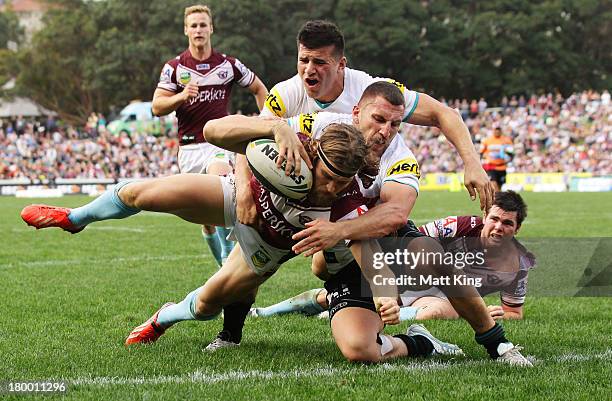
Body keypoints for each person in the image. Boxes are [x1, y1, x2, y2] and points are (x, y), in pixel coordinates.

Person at [21, 114, 460, 364]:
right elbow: (214, 131)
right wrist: (271, 127)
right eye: (327, 177)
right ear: (312, 154)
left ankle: (162, 319)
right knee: (146, 192)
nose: (331, 188)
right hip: (242, 199)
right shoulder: (293, 143)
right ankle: (75, 217)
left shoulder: (347, 200)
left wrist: (385, 295)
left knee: (207, 306)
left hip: (265, 247)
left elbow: (365, 244)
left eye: (341, 183)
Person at [218, 19, 495, 352]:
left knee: (402, 263)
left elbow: (443, 114)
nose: (309, 71)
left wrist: (472, 163)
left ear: (340, 65)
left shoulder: (374, 92)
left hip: (354, 209)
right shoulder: (285, 95)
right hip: (300, 195)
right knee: (253, 256)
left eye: (320, 62)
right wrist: (245, 189)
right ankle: (230, 334)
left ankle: (493, 342)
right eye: (303, 60)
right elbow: (249, 136)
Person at [252, 191, 535, 322]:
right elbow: (412, 240)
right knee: (328, 281)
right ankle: (267, 311)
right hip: (411, 274)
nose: (498, 227)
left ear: (517, 228)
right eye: (495, 219)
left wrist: (497, 315)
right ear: (485, 217)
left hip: (444, 296)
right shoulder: (461, 226)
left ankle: (350, 312)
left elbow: (514, 311)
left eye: (507, 224)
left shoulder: (519, 263)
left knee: (441, 310)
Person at [154, 4, 268, 267]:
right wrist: (182, 95)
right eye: (193, 25)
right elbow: (157, 106)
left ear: (211, 28)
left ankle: (228, 266)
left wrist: (266, 122)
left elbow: (259, 88)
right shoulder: (174, 67)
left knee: (220, 188)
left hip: (217, 143)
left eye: (203, 25)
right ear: (186, 30)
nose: (198, 30)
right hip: (189, 148)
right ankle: (222, 268)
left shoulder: (228, 65)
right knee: (206, 219)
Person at [480, 125, 514, 192]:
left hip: (502, 167)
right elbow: (481, 153)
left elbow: (511, 153)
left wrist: (508, 158)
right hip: (491, 166)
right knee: (494, 185)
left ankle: (497, 200)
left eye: (499, 130)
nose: (497, 131)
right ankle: (497, 200)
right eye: (496, 129)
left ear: (501, 131)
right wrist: (482, 161)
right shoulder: (487, 141)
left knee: (499, 186)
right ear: (493, 130)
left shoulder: (506, 140)